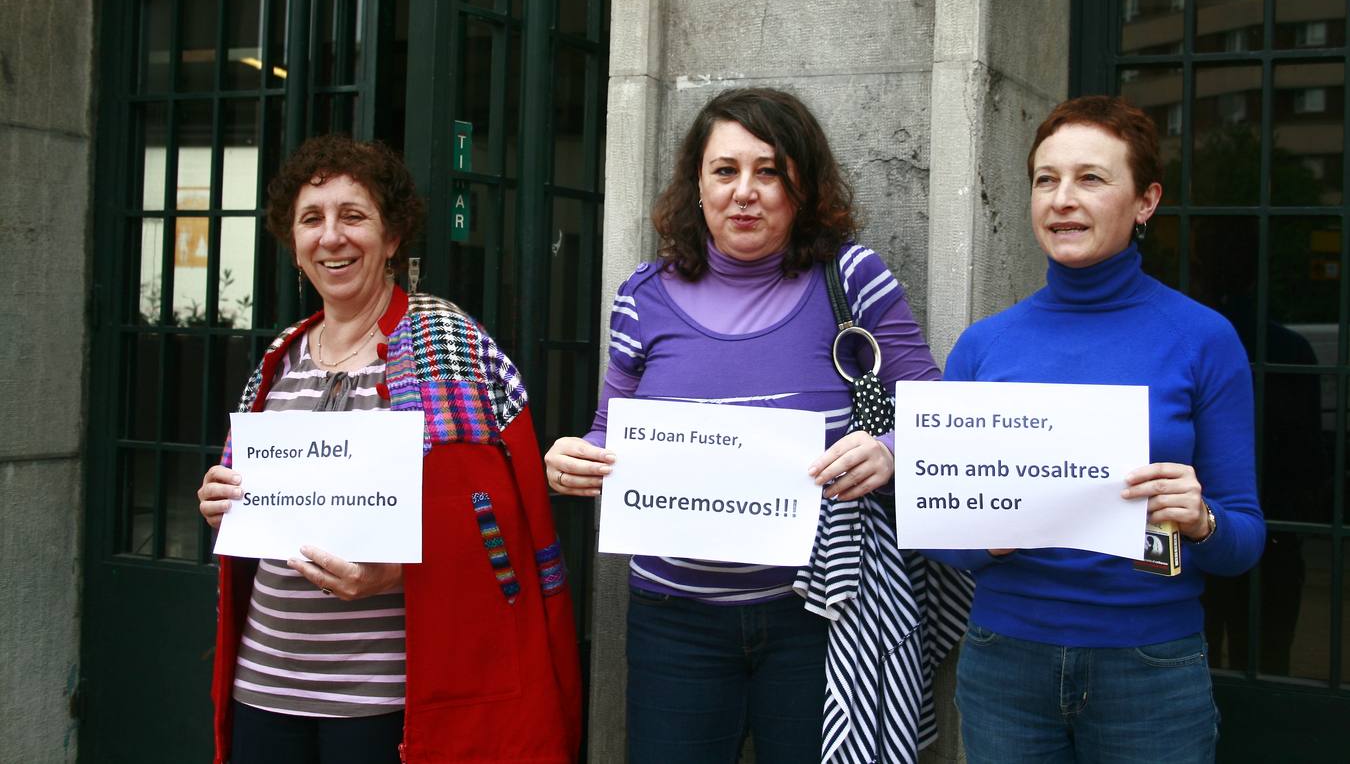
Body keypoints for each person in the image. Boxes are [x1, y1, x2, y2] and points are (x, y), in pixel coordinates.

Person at [546, 87, 968, 763]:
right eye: (725, 171)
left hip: (816, 614)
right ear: (697, 185)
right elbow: (608, 434)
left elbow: (940, 414)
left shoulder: (852, 278)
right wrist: (574, 458)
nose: (745, 192)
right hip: (672, 618)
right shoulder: (642, 296)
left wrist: (889, 451)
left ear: (803, 183)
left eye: (769, 171)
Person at [197, 136, 581, 764]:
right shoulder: (277, 360)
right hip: (264, 685)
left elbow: (505, 521)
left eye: (354, 216)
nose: (332, 237)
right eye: (312, 220)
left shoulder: (454, 348)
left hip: (385, 700)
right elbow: (247, 498)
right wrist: (220, 502)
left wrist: (403, 572)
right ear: (293, 244)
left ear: (393, 236)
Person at [928, 96, 1265, 763]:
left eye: (1091, 178)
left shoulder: (1203, 340)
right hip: (1005, 662)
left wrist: (1201, 521)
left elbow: (1244, 539)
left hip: (1151, 665)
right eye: (1046, 179)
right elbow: (946, 537)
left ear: (1146, 201)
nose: (1062, 199)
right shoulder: (983, 347)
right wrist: (984, 535)